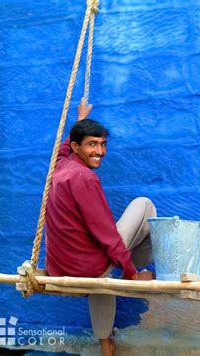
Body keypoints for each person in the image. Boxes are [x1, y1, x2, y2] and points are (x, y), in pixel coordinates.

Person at [45, 99, 156, 356]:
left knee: (102, 277)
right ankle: (125, 269)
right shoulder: (85, 178)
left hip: (60, 266)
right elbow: (105, 234)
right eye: (92, 144)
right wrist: (132, 274)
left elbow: (63, 149)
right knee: (145, 206)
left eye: (103, 144)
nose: (100, 151)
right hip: (87, 267)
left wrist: (80, 119)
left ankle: (106, 343)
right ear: (77, 146)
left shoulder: (62, 165)